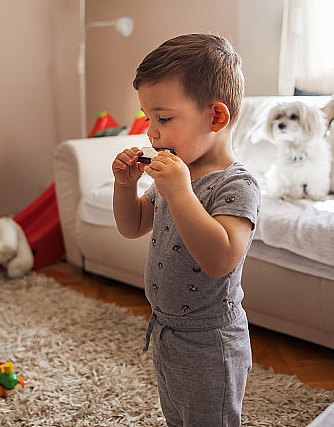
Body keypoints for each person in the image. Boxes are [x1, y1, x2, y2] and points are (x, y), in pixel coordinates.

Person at [112, 34, 261, 426]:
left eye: (164, 118)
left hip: (211, 341)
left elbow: (221, 259)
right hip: (165, 331)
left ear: (215, 117)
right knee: (178, 416)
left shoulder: (236, 185)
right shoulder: (175, 173)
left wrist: (179, 193)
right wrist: (125, 186)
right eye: (148, 119)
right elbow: (134, 226)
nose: (152, 133)